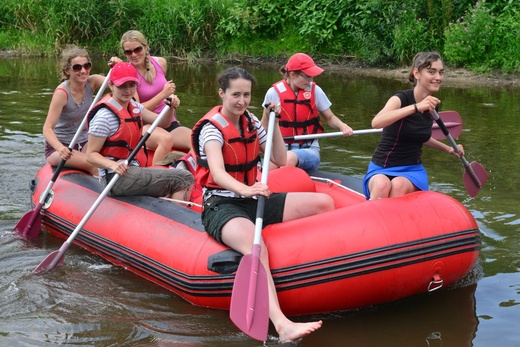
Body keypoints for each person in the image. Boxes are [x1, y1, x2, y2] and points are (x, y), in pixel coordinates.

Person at [192, 67, 334, 342]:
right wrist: (247, 189)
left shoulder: (252, 122)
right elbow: (218, 173)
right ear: (221, 93)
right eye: (235, 95)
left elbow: (281, 159)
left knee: (324, 203)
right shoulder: (212, 130)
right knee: (257, 247)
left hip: (254, 196)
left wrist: (274, 124)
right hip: (222, 205)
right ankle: (281, 325)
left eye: (246, 95)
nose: (241, 101)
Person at [362, 51, 464, 200]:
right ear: (417, 73)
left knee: (398, 185)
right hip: (381, 166)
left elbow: (420, 136)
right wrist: (416, 107)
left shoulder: (433, 104)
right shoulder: (400, 99)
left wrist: (448, 149)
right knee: (382, 185)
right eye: (431, 72)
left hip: (411, 169)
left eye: (441, 73)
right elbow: (376, 122)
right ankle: (371, 221)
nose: (438, 77)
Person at [86, 62, 193, 200]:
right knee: (184, 178)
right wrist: (112, 165)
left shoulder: (134, 106)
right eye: (122, 86)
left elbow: (163, 122)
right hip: (115, 178)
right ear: (111, 85)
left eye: (132, 85)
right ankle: (176, 217)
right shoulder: (104, 116)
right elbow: (90, 155)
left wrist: (170, 107)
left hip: (132, 169)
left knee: (176, 173)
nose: (127, 90)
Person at [262, 53, 353, 170]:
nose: (310, 80)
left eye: (312, 77)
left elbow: (329, 117)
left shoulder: (316, 91)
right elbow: (264, 125)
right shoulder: (273, 93)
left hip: (309, 150)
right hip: (280, 148)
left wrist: (343, 126)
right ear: (292, 74)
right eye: (307, 76)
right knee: (267, 167)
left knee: (287, 159)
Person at [118, 30, 192, 164]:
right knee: (165, 139)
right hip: (145, 125)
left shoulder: (160, 62)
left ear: (145, 47)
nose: (134, 55)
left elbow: (164, 101)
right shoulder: (129, 74)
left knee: (196, 139)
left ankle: (192, 175)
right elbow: (136, 109)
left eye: (137, 49)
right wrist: (163, 94)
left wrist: (172, 104)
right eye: (128, 52)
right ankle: (154, 177)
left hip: (168, 122)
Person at [43, 45, 106, 175]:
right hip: (61, 147)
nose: (83, 71)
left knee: (106, 159)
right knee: (94, 165)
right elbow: (47, 128)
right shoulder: (62, 93)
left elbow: (116, 81)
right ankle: (106, 193)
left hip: (84, 142)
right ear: (67, 71)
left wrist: (117, 65)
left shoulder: (92, 82)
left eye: (86, 66)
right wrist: (60, 148)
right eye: (77, 67)